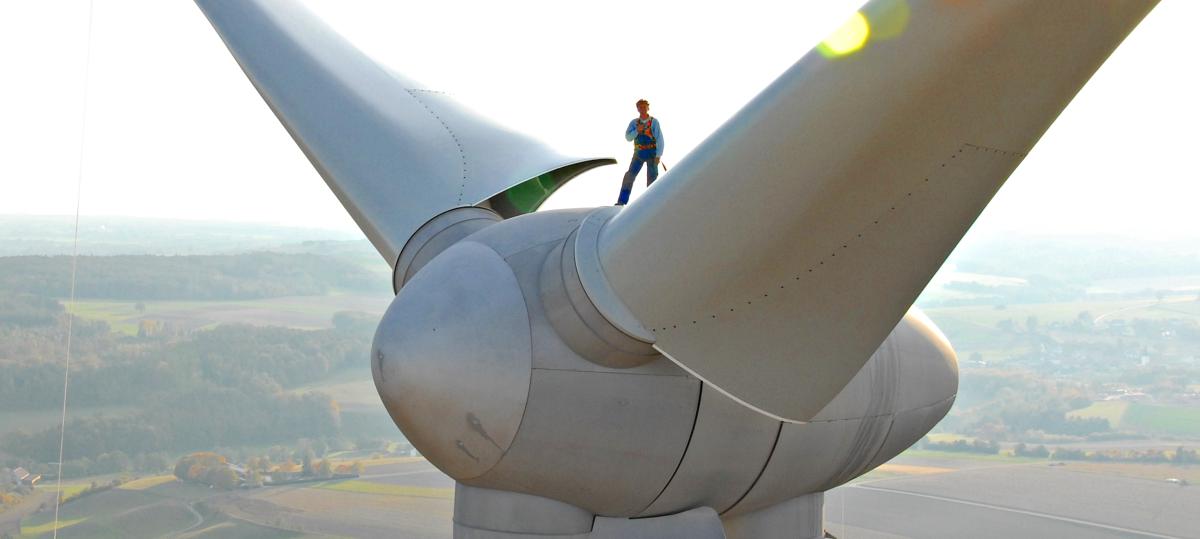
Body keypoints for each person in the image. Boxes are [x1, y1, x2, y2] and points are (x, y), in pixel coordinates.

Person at [616, 99, 664, 205]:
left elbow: (659, 139)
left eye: (644, 106)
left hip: (652, 153)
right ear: (637, 109)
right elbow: (628, 137)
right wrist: (637, 130)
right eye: (640, 107)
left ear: (648, 107)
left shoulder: (654, 122)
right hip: (639, 153)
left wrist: (658, 155)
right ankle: (621, 201)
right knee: (629, 175)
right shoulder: (634, 123)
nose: (642, 109)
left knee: (652, 178)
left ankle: (652, 202)